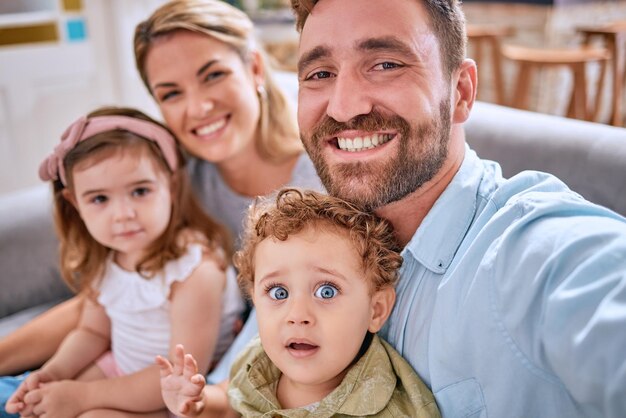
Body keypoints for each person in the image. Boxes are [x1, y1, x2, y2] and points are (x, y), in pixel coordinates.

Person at [161, 0, 626, 416]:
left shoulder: (538, 253)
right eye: (320, 74)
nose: (344, 108)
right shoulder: (308, 240)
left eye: (384, 63)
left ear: (460, 91)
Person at [0, 1, 322, 415]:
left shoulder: (316, 179)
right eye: (171, 93)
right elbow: (113, 294)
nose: (198, 107)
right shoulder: (177, 180)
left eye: (214, 75)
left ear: (255, 69)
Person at [5, 106, 243, 418]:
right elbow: (93, 332)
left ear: (170, 187)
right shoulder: (107, 254)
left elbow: (180, 372)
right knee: (38, 402)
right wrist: (52, 373)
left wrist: (83, 397)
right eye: (100, 199)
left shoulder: (194, 269)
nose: (123, 214)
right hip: (117, 367)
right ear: (75, 203)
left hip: (174, 393)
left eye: (140, 191)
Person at [157, 188, 440, 417]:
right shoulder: (260, 360)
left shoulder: (390, 408)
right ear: (255, 299)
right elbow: (230, 400)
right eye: (279, 292)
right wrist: (200, 402)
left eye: (326, 291)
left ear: (375, 310)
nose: (297, 315)